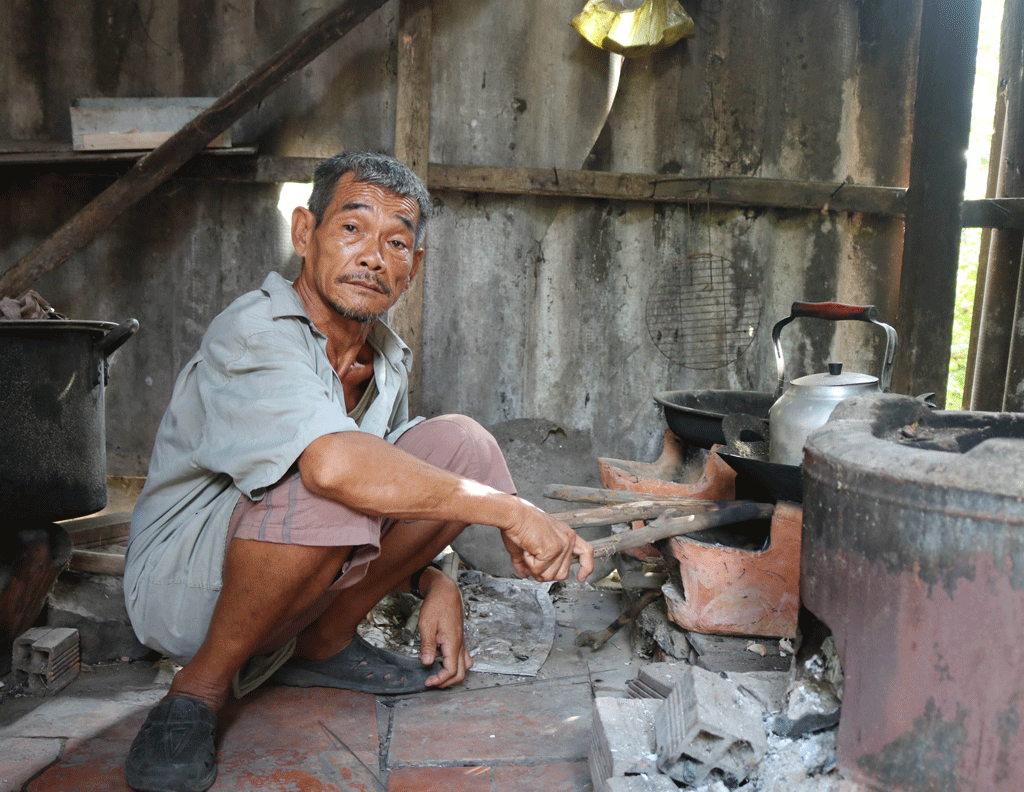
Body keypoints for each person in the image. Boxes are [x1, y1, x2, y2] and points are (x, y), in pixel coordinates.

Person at [122, 151, 594, 792]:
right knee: (335, 483)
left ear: (413, 268)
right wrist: (513, 509)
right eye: (351, 229)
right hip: (184, 589)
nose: (373, 256)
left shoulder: (382, 359)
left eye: (396, 242)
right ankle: (196, 690)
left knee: (462, 445)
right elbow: (336, 469)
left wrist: (438, 581)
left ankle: (325, 643)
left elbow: (393, 483)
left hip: (283, 568)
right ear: (303, 234)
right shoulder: (255, 330)